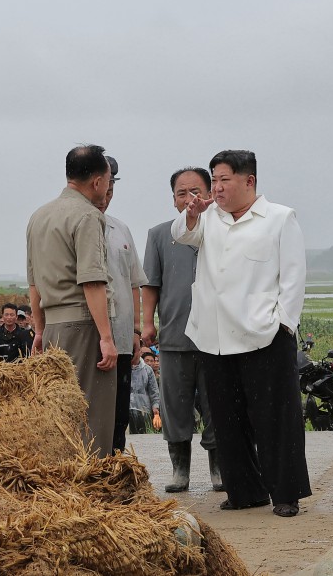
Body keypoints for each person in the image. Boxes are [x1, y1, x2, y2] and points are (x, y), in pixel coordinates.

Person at [172, 149, 310, 518]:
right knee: (226, 419)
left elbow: (293, 278)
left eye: (224, 180)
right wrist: (191, 213)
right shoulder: (207, 218)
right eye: (213, 180)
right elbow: (181, 235)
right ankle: (244, 491)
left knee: (274, 418)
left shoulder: (279, 218)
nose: (216, 188)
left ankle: (286, 492)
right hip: (214, 335)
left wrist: (284, 323)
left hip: (264, 333)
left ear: (249, 181)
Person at [26, 144, 118, 458]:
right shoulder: (88, 216)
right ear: (97, 182)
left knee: (59, 412)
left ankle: (63, 484)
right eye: (108, 180)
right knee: (91, 415)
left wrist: (39, 331)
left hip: (53, 328)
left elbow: (34, 283)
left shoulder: (39, 216)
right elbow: (92, 280)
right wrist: (106, 337)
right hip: (84, 325)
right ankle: (90, 486)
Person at [142, 167, 222, 493]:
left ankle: (220, 469)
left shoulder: (221, 230)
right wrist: (147, 322)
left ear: (210, 195)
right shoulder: (160, 235)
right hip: (174, 337)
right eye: (181, 193)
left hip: (217, 338)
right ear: (173, 199)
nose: (189, 199)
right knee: (175, 407)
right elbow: (150, 284)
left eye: (196, 191)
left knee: (217, 406)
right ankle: (180, 470)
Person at [97, 155, 147, 454]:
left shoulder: (121, 230)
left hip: (123, 336)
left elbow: (134, 282)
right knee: (91, 408)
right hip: (90, 336)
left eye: (111, 192)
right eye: (104, 190)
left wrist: (137, 330)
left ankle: (115, 464)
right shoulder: (73, 225)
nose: (106, 198)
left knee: (118, 410)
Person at [129, 356, 161, 434]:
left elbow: (154, 391)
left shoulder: (147, 369)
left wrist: (156, 410)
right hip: (125, 410)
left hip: (144, 409)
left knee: (143, 436)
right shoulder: (120, 367)